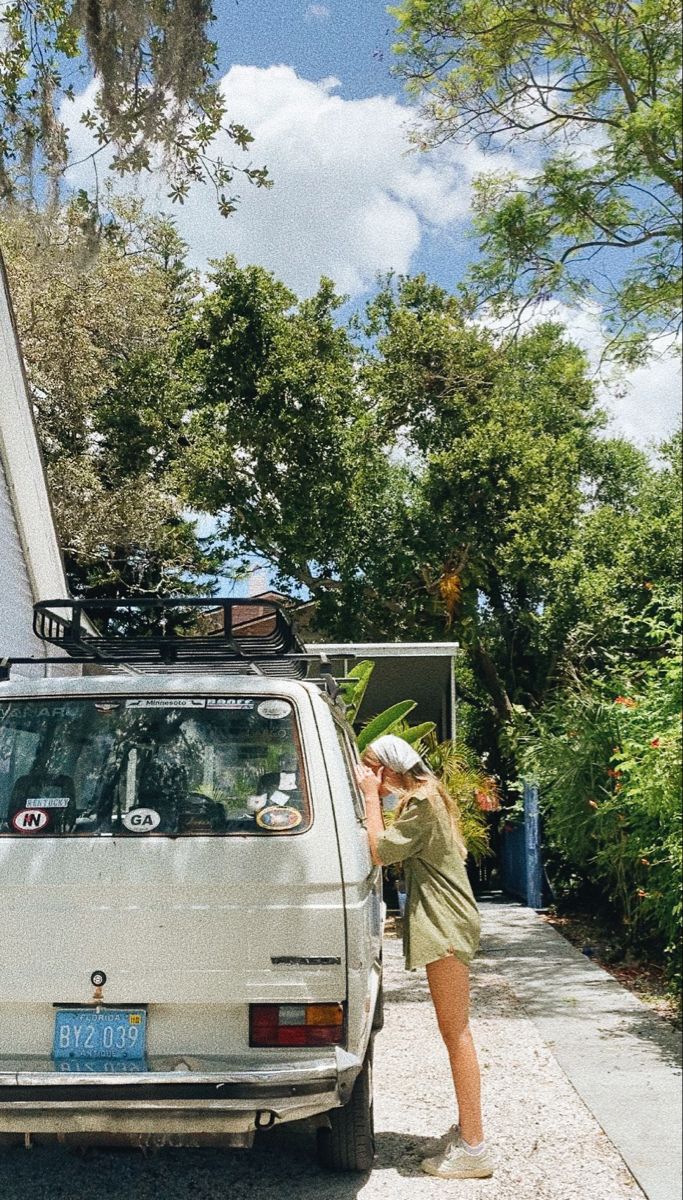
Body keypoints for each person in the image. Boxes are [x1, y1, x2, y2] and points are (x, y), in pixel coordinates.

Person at [356, 733, 494, 1180]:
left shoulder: (422, 804)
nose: (368, 776)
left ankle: (474, 1148)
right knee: (454, 1032)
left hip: (447, 924)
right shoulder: (425, 798)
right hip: (450, 920)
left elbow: (378, 851)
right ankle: (467, 1132)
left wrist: (368, 797)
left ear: (388, 769)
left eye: (370, 768)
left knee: (456, 1034)